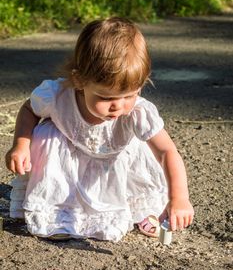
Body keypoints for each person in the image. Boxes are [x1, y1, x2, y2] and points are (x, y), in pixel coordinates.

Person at [5, 17, 194, 242]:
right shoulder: (57, 96)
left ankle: (140, 210)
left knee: (138, 149)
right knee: (46, 134)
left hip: (116, 166)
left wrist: (179, 197)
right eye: (106, 97)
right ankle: (60, 214)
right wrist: (21, 144)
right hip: (69, 164)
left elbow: (167, 152)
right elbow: (30, 109)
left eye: (131, 95)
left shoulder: (136, 113)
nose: (119, 105)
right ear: (79, 81)